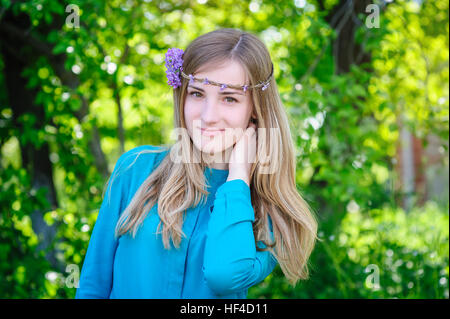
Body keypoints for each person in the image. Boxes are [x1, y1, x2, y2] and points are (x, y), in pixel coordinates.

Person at [75, 28, 318, 299]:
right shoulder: (135, 169)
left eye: (229, 99)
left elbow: (223, 276)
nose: (208, 116)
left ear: (256, 110)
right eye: (197, 94)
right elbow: (92, 286)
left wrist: (238, 178)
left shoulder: (269, 212)